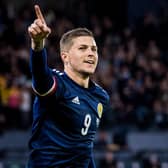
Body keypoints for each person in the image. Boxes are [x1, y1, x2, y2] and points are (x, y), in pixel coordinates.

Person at [26, 4, 110, 168]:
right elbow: (40, 76)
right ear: (65, 57)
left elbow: (85, 145)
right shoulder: (58, 84)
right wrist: (38, 44)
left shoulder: (101, 96)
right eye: (82, 48)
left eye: (94, 49)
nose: (91, 53)